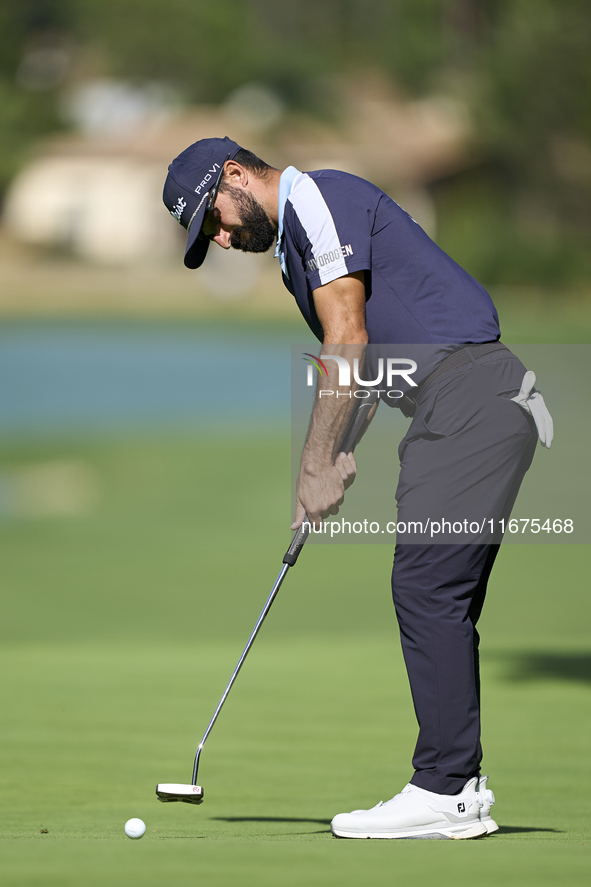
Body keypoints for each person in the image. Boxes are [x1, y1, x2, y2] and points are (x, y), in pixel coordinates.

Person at [163, 136, 552, 840]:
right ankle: (454, 784)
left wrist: (311, 464)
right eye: (205, 237)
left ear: (235, 175)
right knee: (437, 592)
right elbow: (368, 368)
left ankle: (447, 788)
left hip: (469, 397)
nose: (219, 239)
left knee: (427, 588)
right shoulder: (294, 253)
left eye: (212, 219)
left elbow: (345, 341)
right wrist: (335, 456)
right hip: (460, 407)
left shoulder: (319, 199)